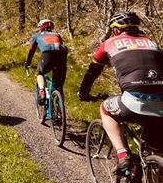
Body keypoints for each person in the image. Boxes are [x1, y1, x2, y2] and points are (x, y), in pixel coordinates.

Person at [77, 11, 163, 172]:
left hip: (134, 100)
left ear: (116, 29)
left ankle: (123, 155)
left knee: (105, 109)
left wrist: (83, 93)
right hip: (161, 101)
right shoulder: (152, 43)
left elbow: (92, 72)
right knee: (156, 150)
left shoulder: (109, 43)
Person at [24, 19, 68, 104]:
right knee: (59, 85)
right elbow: (60, 46)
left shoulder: (37, 35)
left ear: (41, 27)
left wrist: (27, 62)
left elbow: (31, 51)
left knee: (40, 73)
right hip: (62, 55)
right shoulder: (57, 35)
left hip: (48, 54)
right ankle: (60, 107)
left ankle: (42, 91)